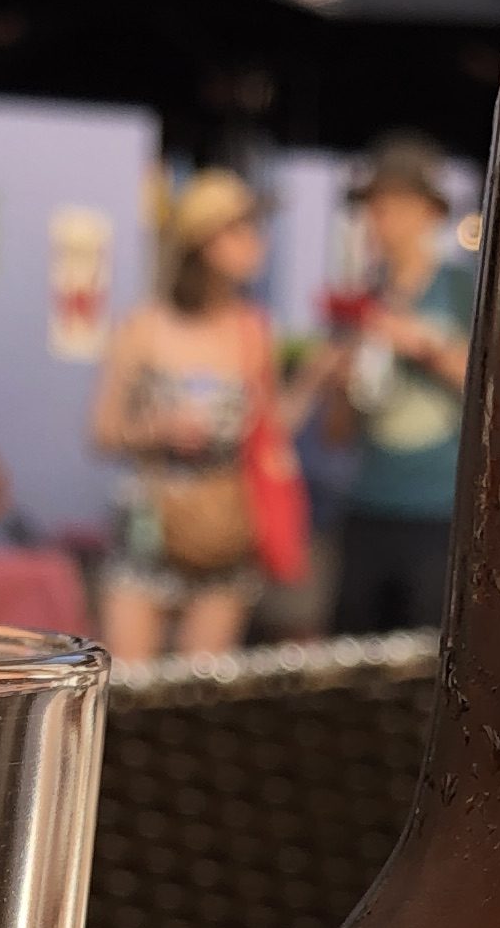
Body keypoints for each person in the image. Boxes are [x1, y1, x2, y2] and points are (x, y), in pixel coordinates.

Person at [88, 170, 289, 661]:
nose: (256, 241)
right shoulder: (144, 327)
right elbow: (102, 431)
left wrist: (322, 375)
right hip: (149, 529)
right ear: (205, 243)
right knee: (131, 685)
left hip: (223, 531)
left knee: (202, 688)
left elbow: (273, 430)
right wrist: (157, 430)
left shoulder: (254, 331)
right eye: (240, 229)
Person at [310, 135, 475, 636]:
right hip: (367, 501)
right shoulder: (363, 298)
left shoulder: (463, 287)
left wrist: (423, 346)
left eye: (397, 206)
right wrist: (341, 382)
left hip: (439, 509)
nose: (383, 221)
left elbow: (494, 389)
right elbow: (337, 432)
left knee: (423, 654)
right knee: (353, 653)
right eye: (376, 208)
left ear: (430, 212)